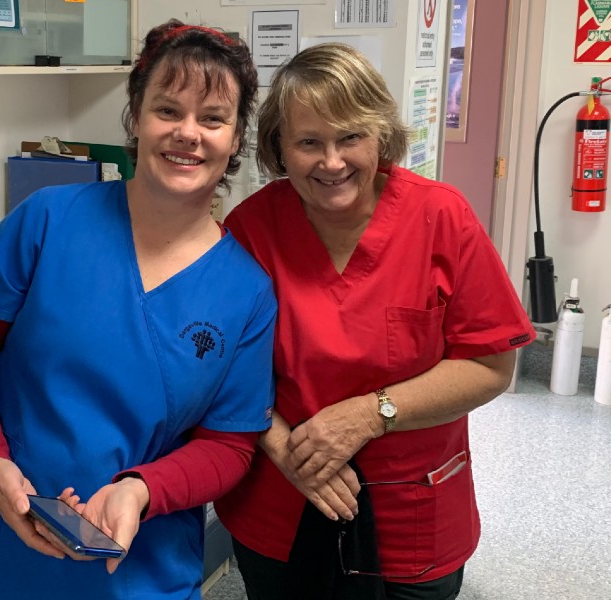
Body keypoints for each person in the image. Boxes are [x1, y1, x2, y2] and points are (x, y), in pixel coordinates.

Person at [0, 19, 275, 600]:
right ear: (136, 117)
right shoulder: (48, 220)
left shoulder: (247, 292)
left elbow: (229, 445)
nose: (188, 133)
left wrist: (141, 489)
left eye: (213, 118)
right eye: (167, 110)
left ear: (236, 139)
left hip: (136, 567)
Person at [215, 42, 536, 600]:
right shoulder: (250, 229)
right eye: (308, 142)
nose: (332, 162)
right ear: (278, 148)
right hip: (281, 502)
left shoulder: (440, 217)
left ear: (380, 136)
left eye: (350, 137)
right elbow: (220, 373)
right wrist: (290, 452)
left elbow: (490, 366)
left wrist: (369, 414)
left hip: (411, 512)